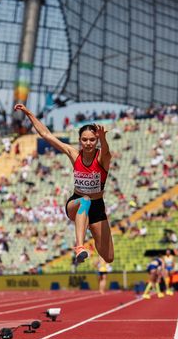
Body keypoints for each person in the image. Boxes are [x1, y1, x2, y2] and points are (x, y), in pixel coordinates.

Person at [14, 104, 114, 264]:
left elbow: (107, 151)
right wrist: (28, 113)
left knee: (108, 257)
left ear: (96, 141)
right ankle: (80, 247)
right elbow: (46, 134)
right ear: (80, 140)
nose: (88, 143)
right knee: (85, 200)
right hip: (77, 202)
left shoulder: (102, 158)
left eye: (92, 140)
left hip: (97, 207)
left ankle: (88, 225)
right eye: (85, 139)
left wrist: (103, 138)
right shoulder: (74, 154)